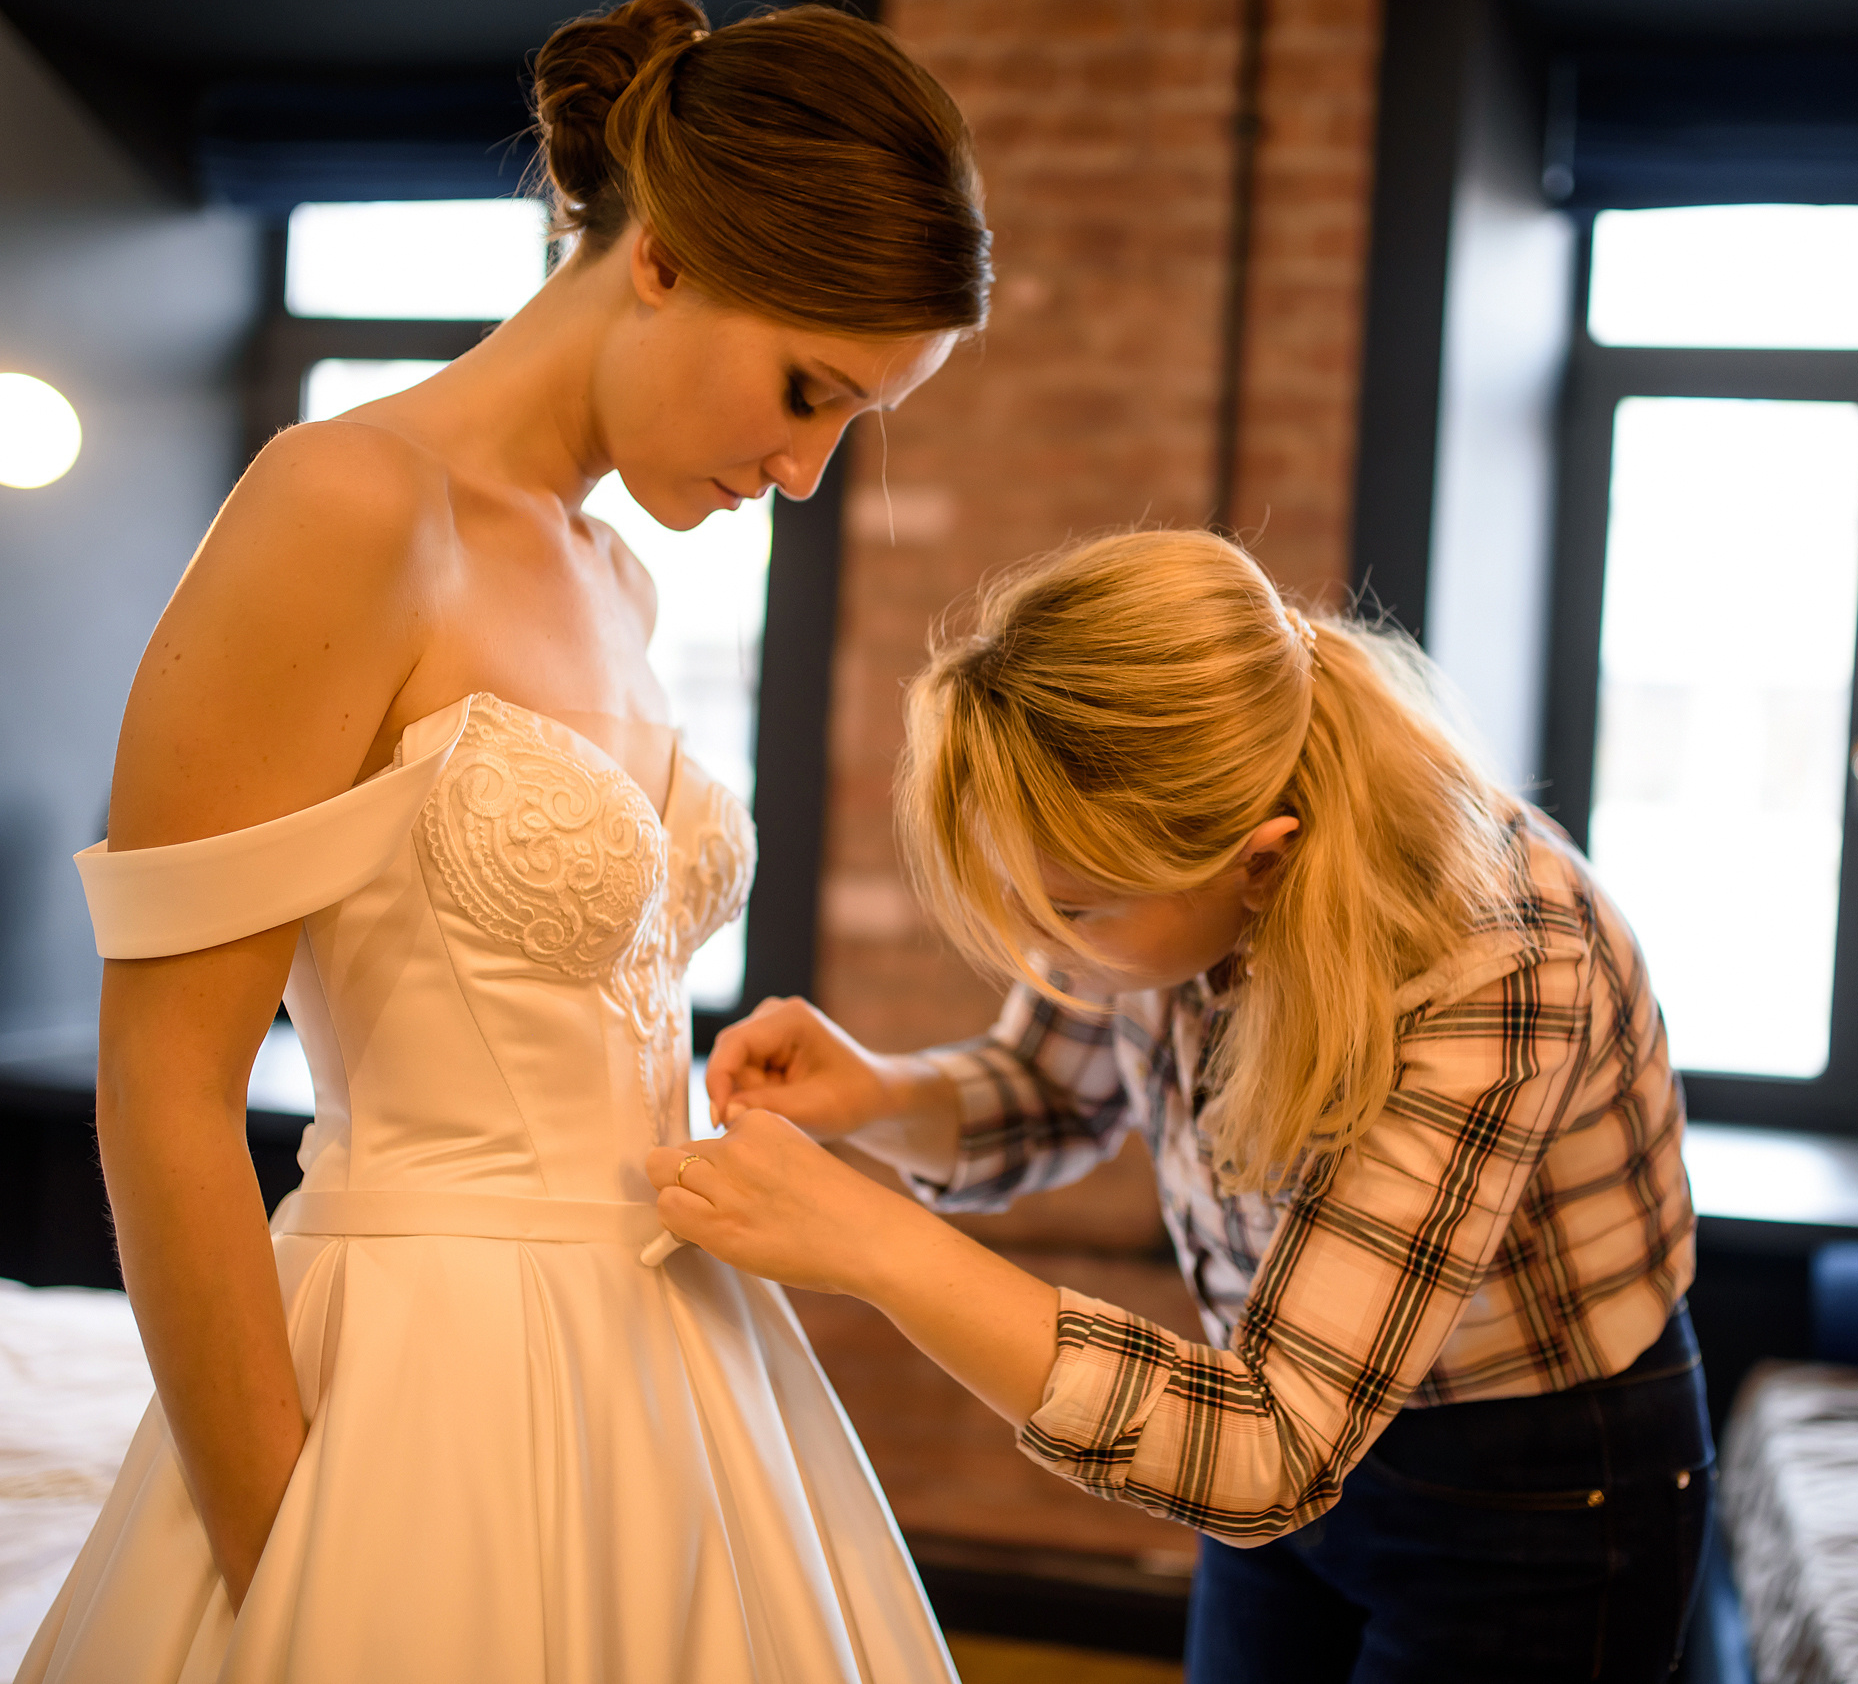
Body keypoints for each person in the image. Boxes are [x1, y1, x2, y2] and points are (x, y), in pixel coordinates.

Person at [20, 0, 985, 1682]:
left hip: (676, 1365)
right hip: (421, 1379)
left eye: (852, 421)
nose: (811, 468)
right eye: (808, 389)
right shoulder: (344, 507)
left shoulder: (618, 577)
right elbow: (162, 1089)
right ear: (666, 255)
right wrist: (293, 1553)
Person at [655, 530, 1711, 1684]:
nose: (1034, 947)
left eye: (1073, 910)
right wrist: (877, 1093)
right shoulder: (1141, 853)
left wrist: (879, 1247)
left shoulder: (1499, 957)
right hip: (1271, 1428)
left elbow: (1269, 1445)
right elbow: (1054, 1094)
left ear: (1259, 863)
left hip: (1531, 1486)